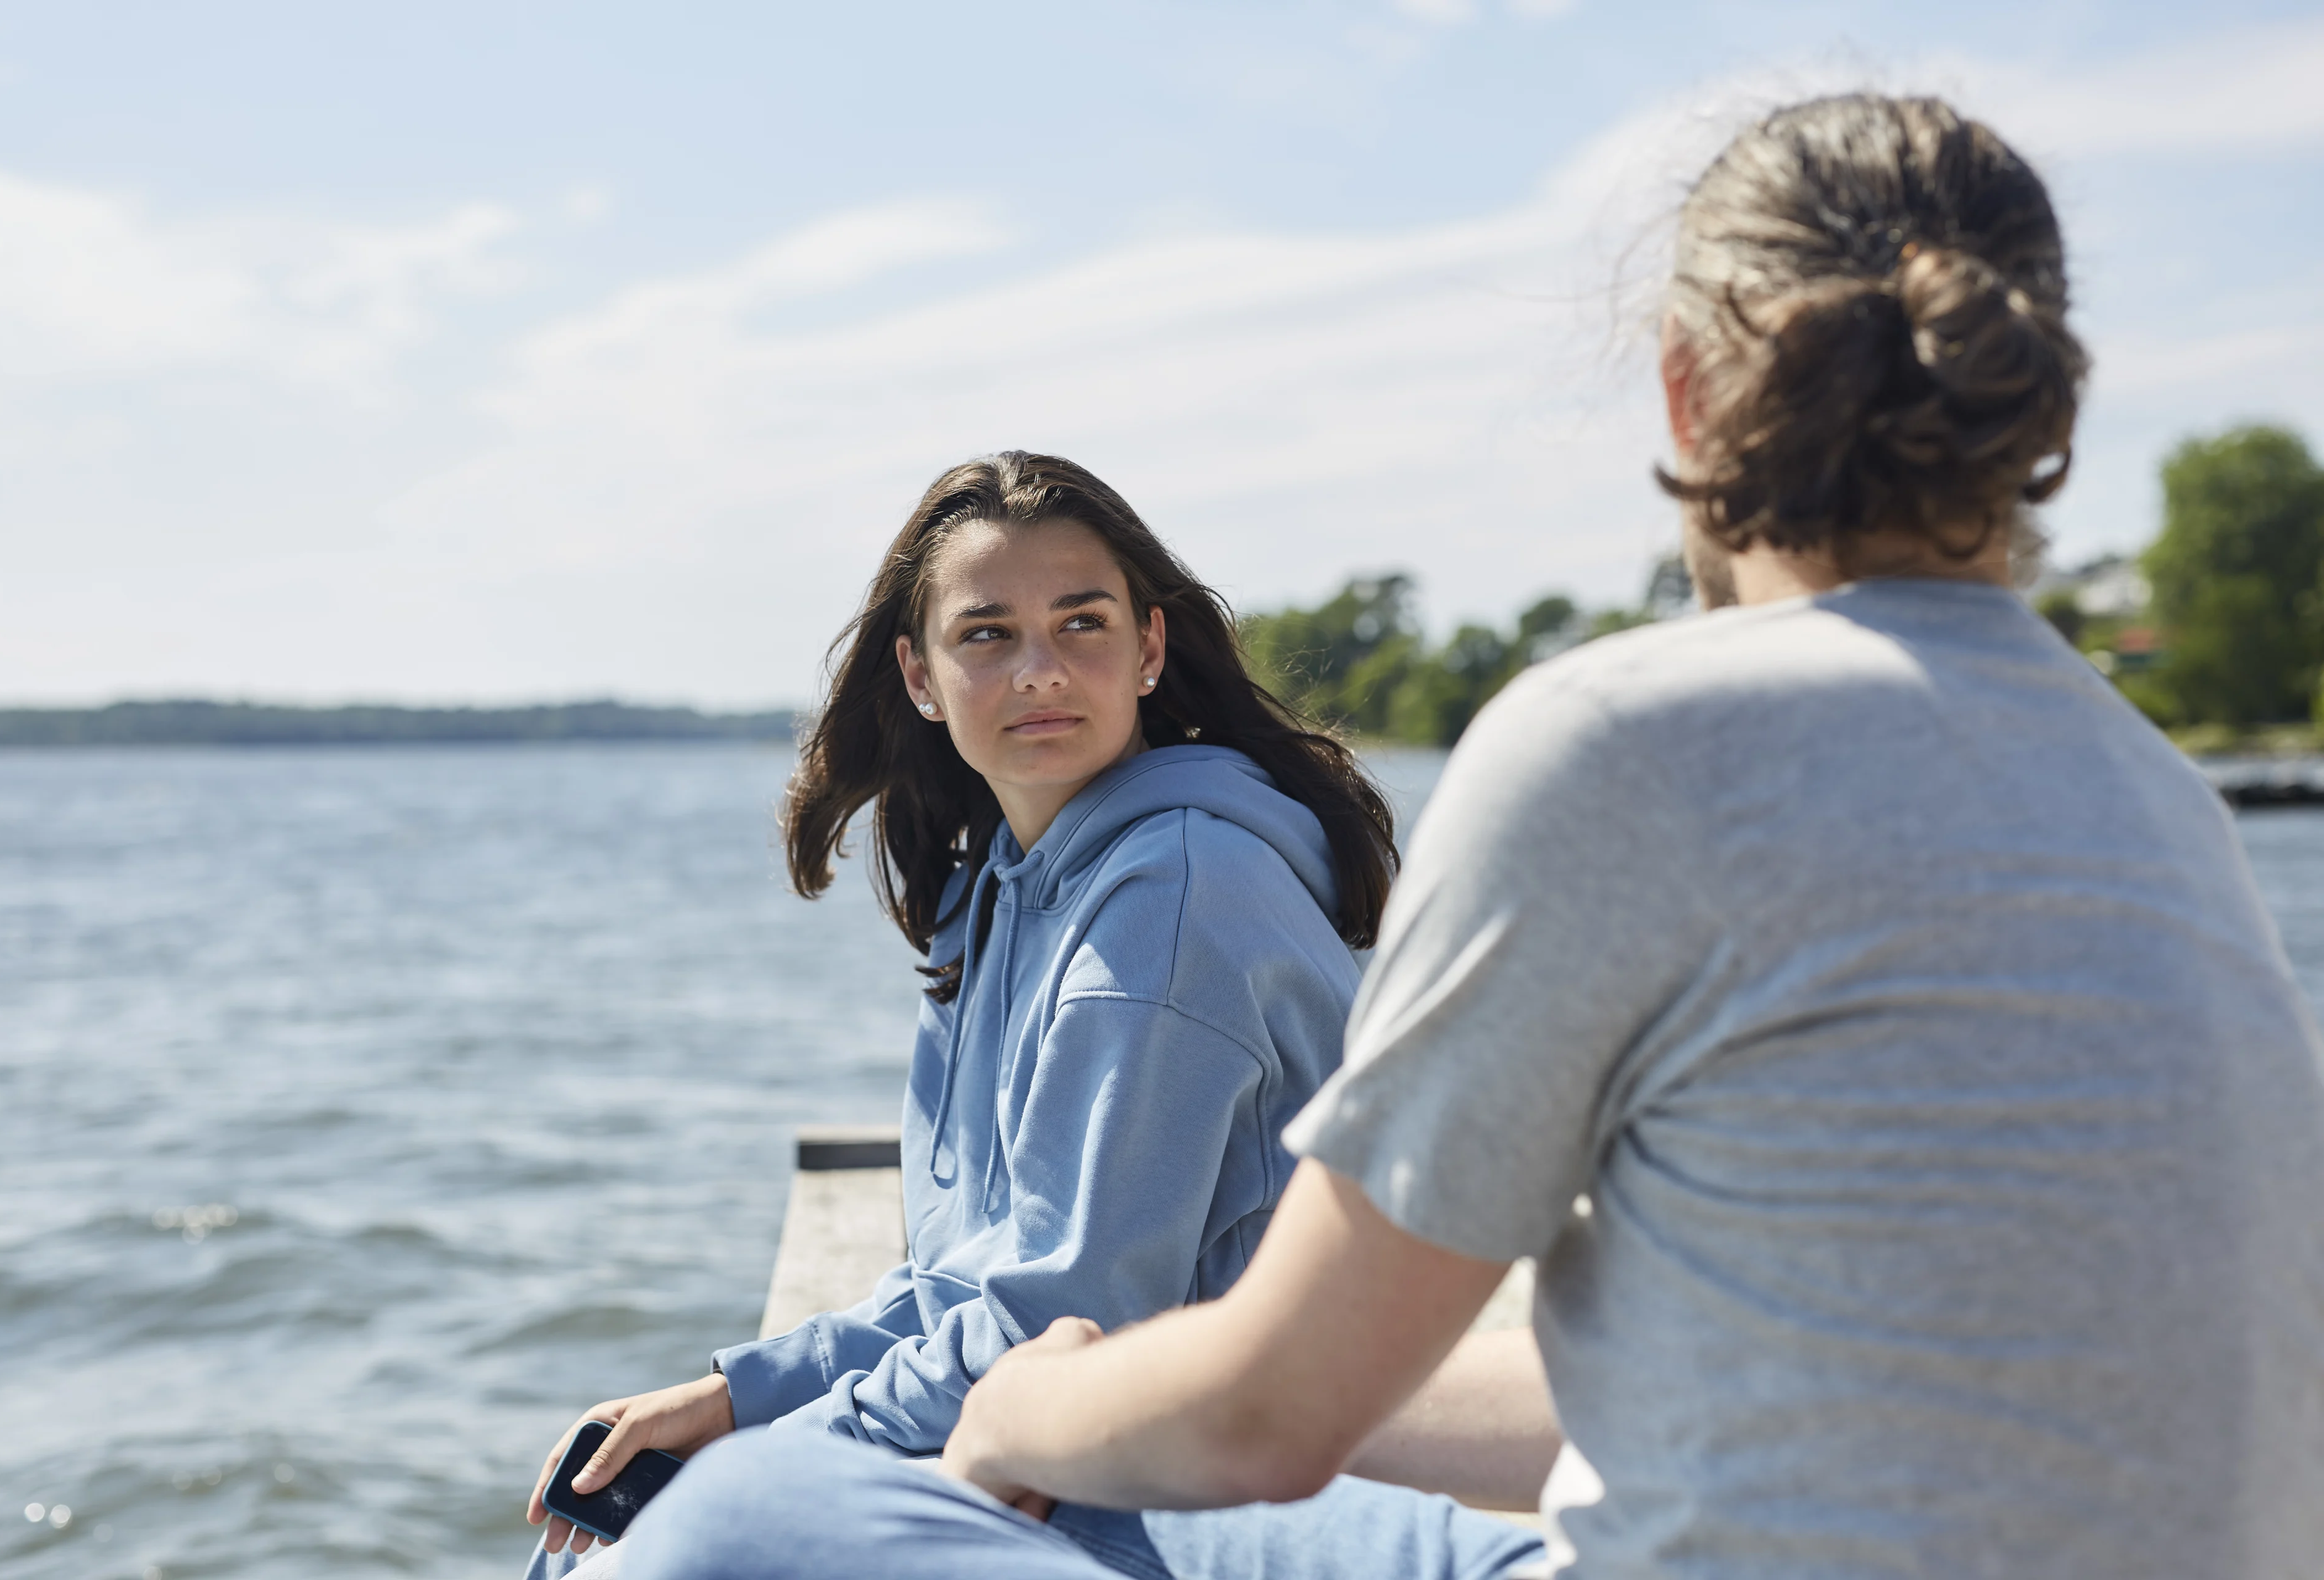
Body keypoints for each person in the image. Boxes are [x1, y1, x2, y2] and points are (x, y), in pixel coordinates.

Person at [595, 94, 2324, 1579]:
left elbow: (1267, 1414)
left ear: (1685, 396)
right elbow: (1648, 1388)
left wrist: (1026, 1405)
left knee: (718, 1535)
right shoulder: (2153, 793)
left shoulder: (1620, 748)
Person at [520, 452, 1410, 1573]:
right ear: (921, 675)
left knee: (653, 1541)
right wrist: (735, 1401)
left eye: (1081, 623)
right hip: (1080, 1449)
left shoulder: (1175, 898)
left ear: (1148, 649)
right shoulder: (1000, 882)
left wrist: (781, 1461)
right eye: (988, 633)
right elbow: (969, 1281)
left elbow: (1063, 1320)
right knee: (606, 1513)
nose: (1040, 669)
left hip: (1214, 1501)